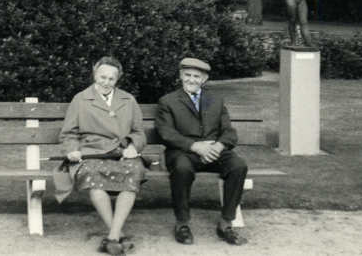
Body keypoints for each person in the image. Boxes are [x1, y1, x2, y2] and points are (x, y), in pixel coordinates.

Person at [56, 57, 145, 256]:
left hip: (120, 154)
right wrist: (72, 149)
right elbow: (69, 134)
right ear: (95, 75)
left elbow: (139, 132)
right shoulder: (81, 98)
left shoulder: (128, 99)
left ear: (117, 80)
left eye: (111, 79)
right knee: (93, 177)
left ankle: (112, 238)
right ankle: (119, 236)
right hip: (90, 154)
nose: (106, 82)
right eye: (102, 77)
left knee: (134, 171)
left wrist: (132, 146)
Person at [155, 57, 248, 246]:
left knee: (238, 166)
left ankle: (226, 224)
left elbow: (228, 131)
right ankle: (182, 224)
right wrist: (195, 146)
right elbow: (166, 133)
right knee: (181, 169)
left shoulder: (215, 100)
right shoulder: (168, 101)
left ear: (204, 79)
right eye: (187, 75)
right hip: (183, 152)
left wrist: (218, 147)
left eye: (196, 76)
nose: (191, 80)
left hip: (214, 151)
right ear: (181, 76)